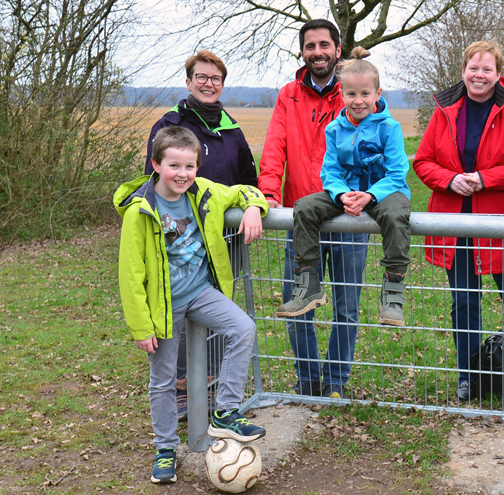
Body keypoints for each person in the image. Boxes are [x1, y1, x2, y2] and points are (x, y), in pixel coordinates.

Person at [115, 126, 268, 484]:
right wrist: (141, 326)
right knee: (164, 379)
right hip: (162, 307)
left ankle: (226, 411)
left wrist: (253, 209)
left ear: (198, 167)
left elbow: (245, 190)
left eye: (190, 166)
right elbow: (130, 275)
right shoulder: (141, 211)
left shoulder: (205, 193)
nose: (182, 174)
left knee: (243, 327)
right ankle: (165, 448)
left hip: (200, 292)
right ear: (156, 164)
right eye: (174, 166)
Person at [413, 40, 504, 403]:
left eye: (487, 69)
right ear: (463, 71)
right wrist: (449, 179)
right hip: (455, 226)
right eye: (473, 68)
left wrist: (485, 178)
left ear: (498, 74)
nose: (479, 75)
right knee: (464, 303)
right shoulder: (444, 112)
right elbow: (423, 161)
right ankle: (468, 376)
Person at [144, 50, 258, 420]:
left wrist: (253, 206)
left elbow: (248, 180)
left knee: (217, 306)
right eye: (202, 77)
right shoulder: (171, 123)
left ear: (223, 84)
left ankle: (208, 386)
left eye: (216, 78)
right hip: (181, 236)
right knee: (177, 307)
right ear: (189, 80)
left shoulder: (231, 129)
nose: (209, 84)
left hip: (225, 237)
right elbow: (154, 179)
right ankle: (180, 387)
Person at [258, 19, 369, 400]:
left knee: (347, 308)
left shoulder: (355, 91)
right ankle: (307, 380)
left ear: (338, 50)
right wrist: (270, 193)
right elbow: (275, 145)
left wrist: (366, 193)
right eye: (310, 46)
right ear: (302, 52)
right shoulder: (289, 95)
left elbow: (375, 147)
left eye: (325, 45)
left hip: (351, 219)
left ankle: (336, 382)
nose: (317, 52)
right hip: (302, 220)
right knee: (298, 303)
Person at [277, 47, 410, 330]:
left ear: (378, 93)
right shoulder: (335, 129)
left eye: (365, 94)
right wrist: (340, 194)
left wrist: (371, 195)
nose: (358, 101)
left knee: (397, 216)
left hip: (384, 191)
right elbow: (330, 171)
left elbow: (398, 173)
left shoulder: (389, 127)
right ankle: (309, 281)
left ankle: (394, 292)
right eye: (351, 94)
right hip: (346, 192)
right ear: (342, 94)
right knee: (305, 206)